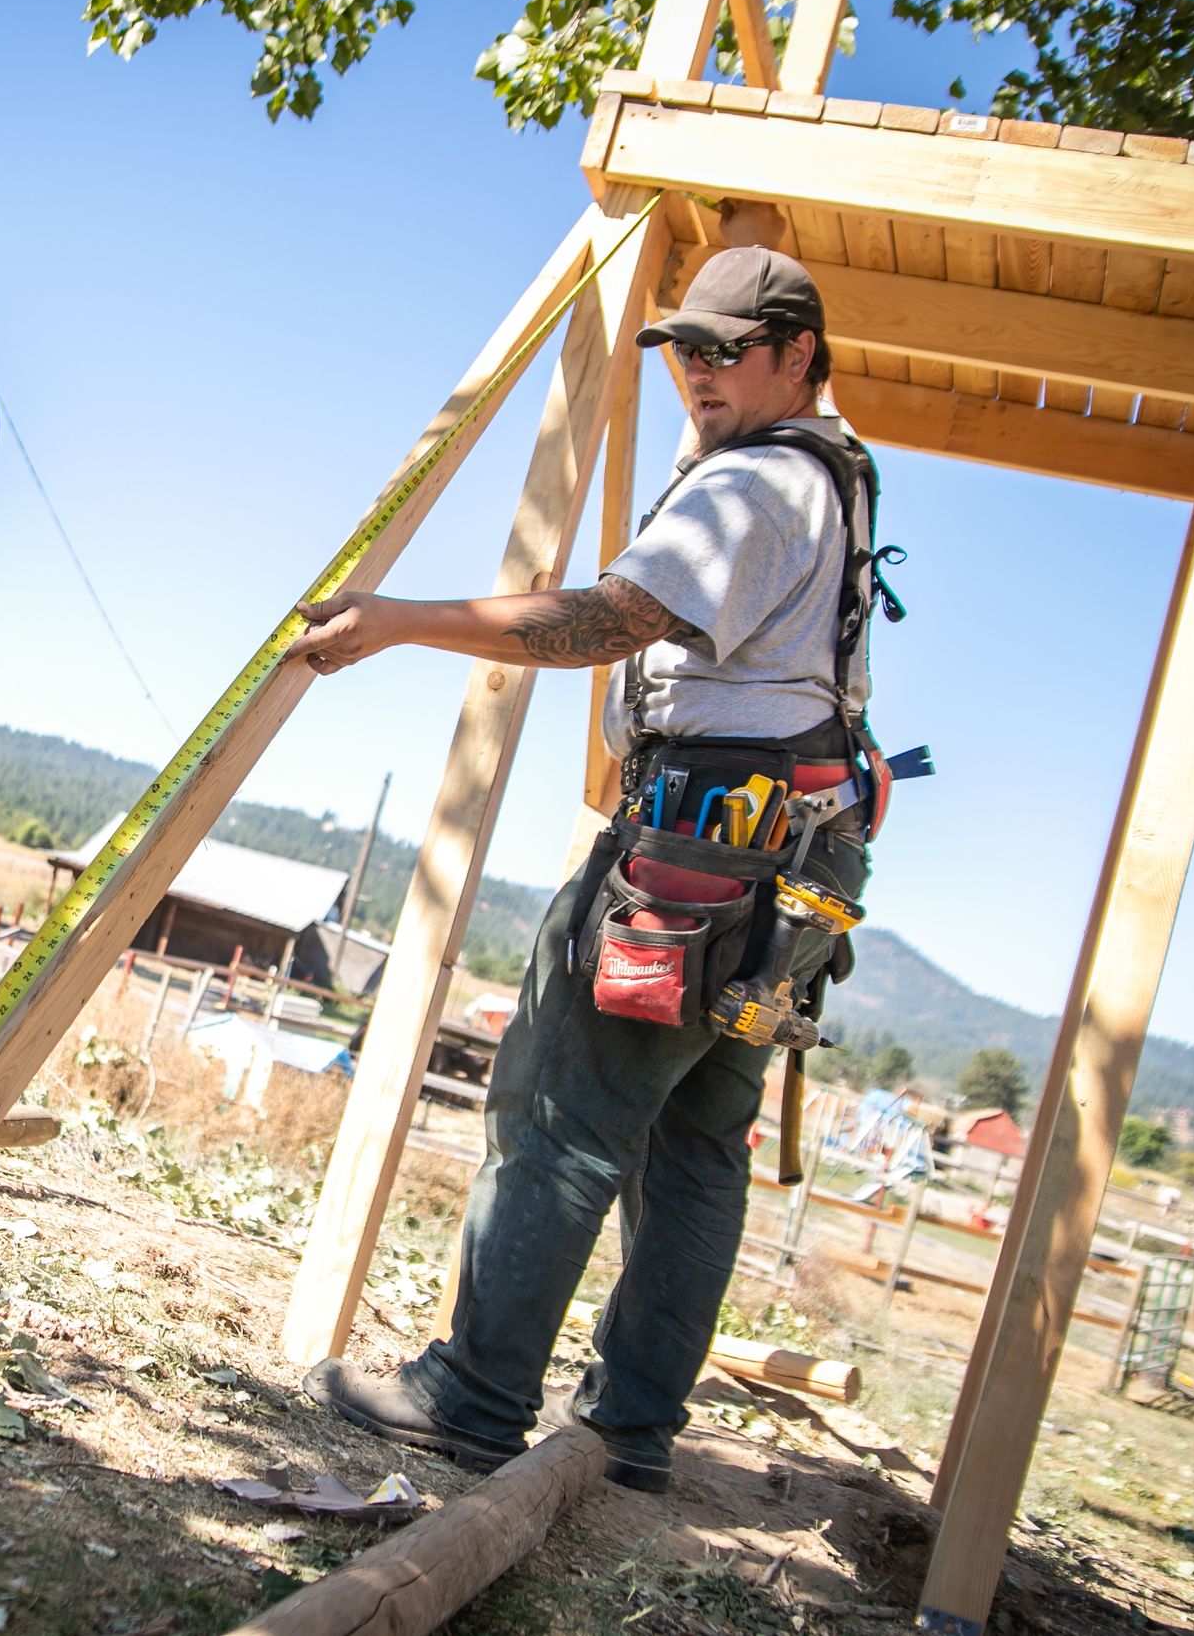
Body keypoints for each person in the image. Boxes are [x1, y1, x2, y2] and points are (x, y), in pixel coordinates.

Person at [285, 246, 884, 1493]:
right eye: (685, 349)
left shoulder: (755, 486)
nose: (698, 373)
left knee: (562, 1109)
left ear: (797, 359)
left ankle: (473, 1393)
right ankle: (629, 1427)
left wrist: (402, 618)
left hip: (696, 855)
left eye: (729, 350)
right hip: (782, 860)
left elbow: (610, 620)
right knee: (695, 1147)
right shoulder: (826, 477)